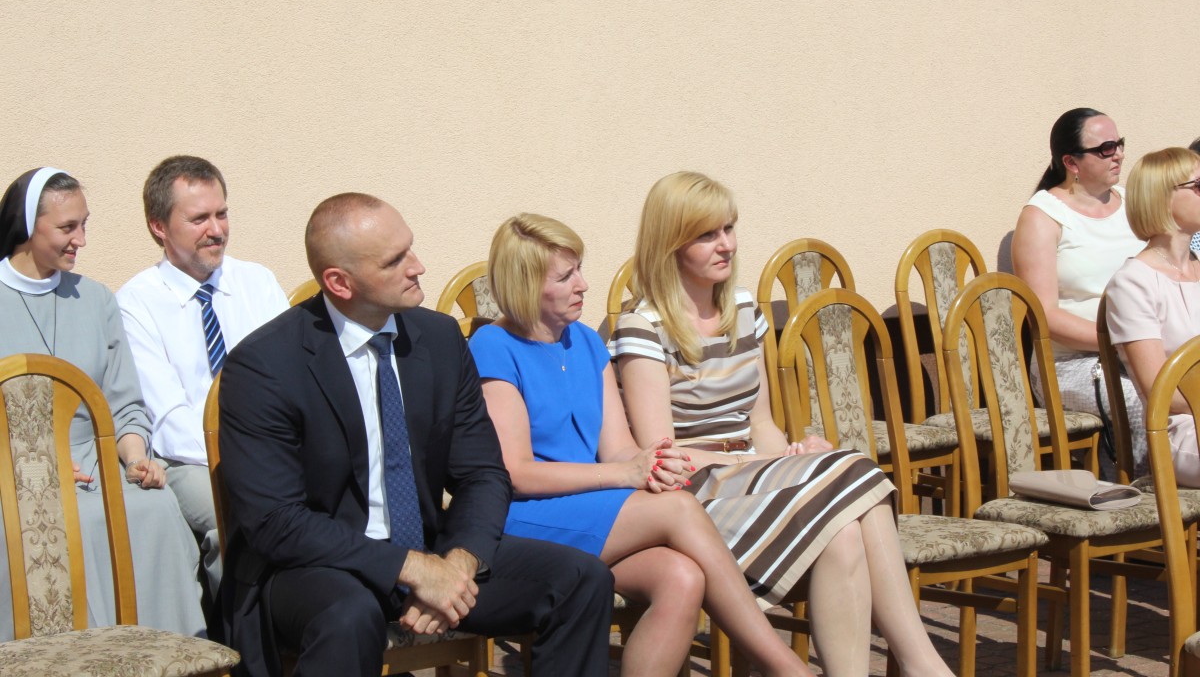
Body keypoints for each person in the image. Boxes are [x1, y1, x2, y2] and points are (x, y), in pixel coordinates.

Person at [217, 193, 614, 677]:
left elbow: (483, 474)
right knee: (349, 616)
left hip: (429, 550)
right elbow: (277, 523)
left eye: (410, 248)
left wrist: (458, 565)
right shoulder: (265, 365)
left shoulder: (440, 339)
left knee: (581, 578)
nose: (418, 266)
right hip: (313, 566)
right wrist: (409, 568)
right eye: (395, 260)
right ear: (339, 282)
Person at [610, 171, 955, 677]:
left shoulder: (742, 307)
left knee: (844, 530)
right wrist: (761, 463)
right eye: (707, 234)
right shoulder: (642, 325)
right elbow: (662, 453)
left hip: (751, 474)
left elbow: (761, 422)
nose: (726, 245)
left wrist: (792, 453)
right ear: (671, 244)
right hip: (695, 493)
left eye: (729, 228)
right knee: (855, 468)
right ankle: (923, 664)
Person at [469, 213, 819, 677]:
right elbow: (517, 473)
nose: (583, 284)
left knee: (682, 577)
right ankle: (786, 668)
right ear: (525, 285)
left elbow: (618, 449)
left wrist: (654, 464)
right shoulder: (493, 346)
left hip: (593, 508)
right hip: (526, 517)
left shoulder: (585, 342)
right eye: (566, 276)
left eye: (579, 269)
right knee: (678, 509)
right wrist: (625, 473)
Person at [0, 167, 206, 639]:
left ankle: (164, 654)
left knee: (155, 509)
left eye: (84, 224)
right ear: (28, 226)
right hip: (11, 471)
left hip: (96, 462)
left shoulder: (95, 300)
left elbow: (125, 403)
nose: (82, 240)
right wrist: (34, 467)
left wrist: (136, 459)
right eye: (67, 227)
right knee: (70, 520)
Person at [117, 155, 288, 594]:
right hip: (191, 460)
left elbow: (292, 383)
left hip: (276, 449)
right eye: (199, 219)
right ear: (159, 226)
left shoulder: (257, 282)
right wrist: (246, 460)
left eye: (221, 214)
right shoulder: (136, 303)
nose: (216, 230)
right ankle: (244, 630)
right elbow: (168, 417)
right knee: (233, 519)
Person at [1010, 107, 1145, 474]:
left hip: (1139, 348)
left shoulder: (1131, 203)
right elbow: (1045, 316)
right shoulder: (1043, 216)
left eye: (1119, 143)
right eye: (1105, 148)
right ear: (1071, 162)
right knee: (1148, 402)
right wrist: (1119, 340)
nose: (1118, 154)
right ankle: (1149, 496)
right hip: (1073, 363)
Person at [1105, 147, 1200, 487]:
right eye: (1199, 185)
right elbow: (1161, 391)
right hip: (1181, 431)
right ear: (1162, 197)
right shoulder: (1133, 282)